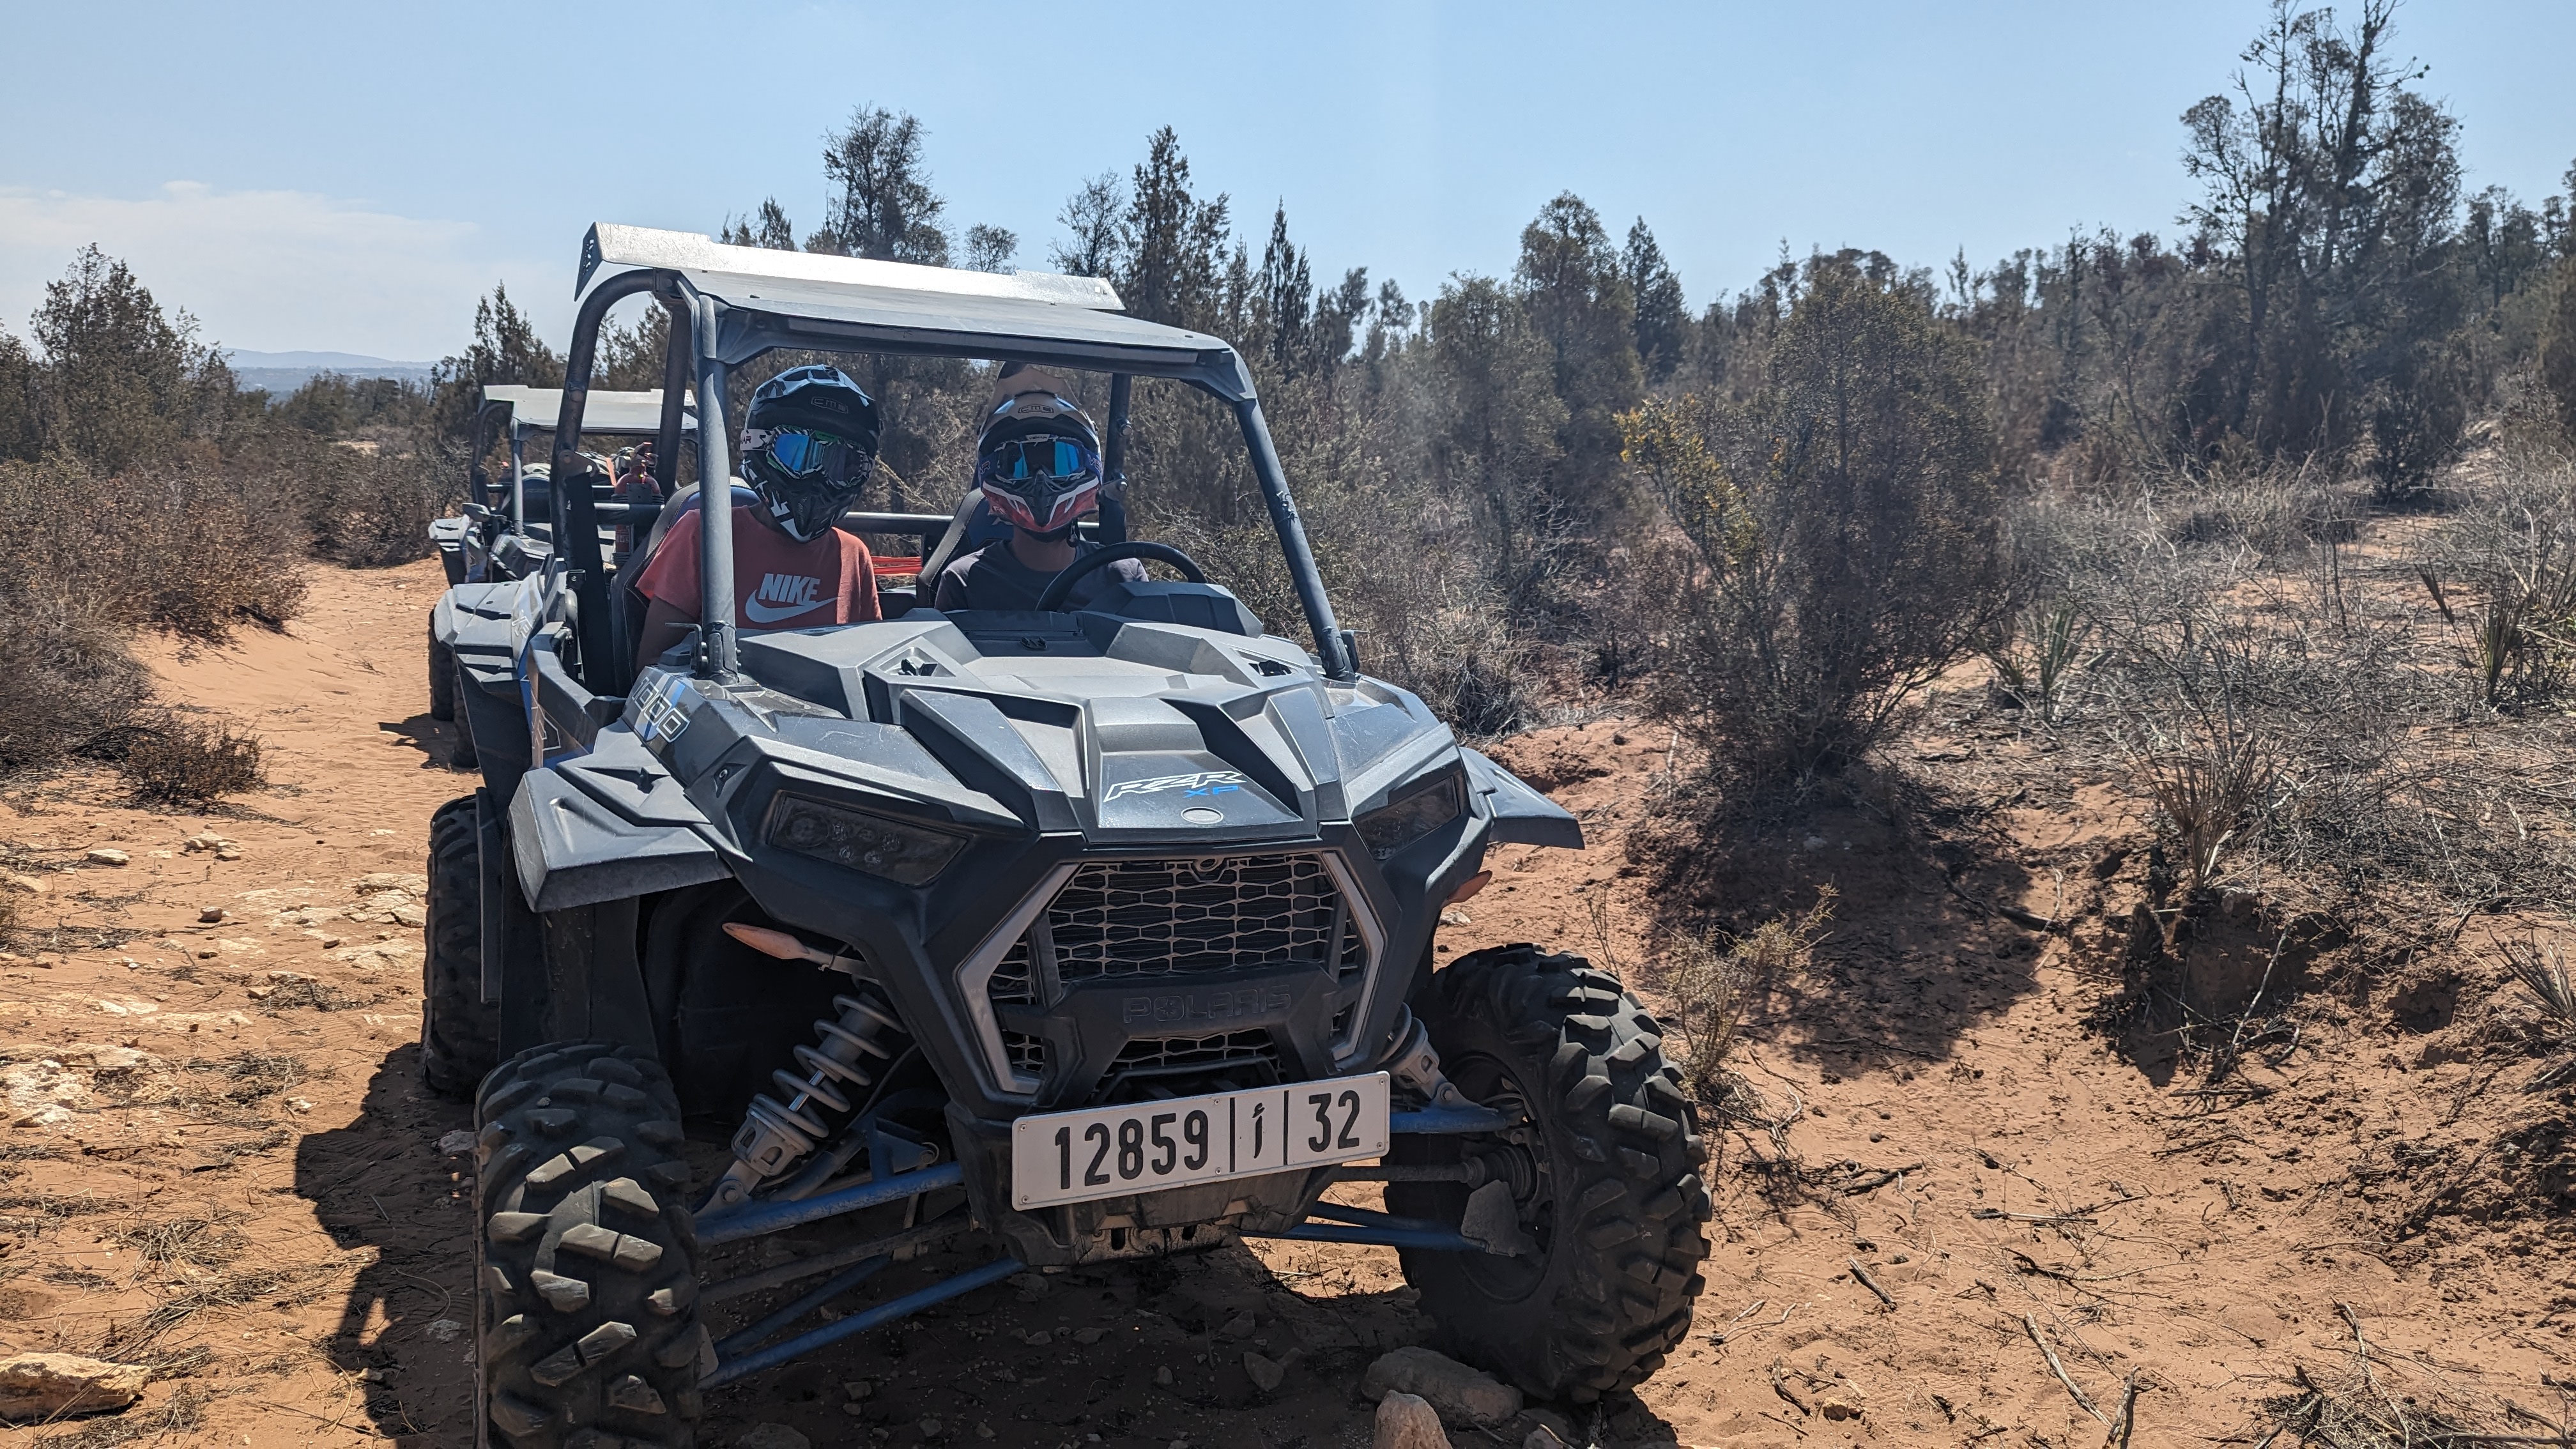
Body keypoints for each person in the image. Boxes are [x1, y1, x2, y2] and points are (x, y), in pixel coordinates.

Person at [634, 365, 883, 660]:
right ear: (762, 447)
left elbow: (870, 662)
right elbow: (653, 666)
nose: (818, 477)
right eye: (798, 453)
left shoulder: (852, 555)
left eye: (841, 463)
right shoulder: (705, 535)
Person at [933, 369, 1144, 611]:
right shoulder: (965, 581)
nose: (1041, 480)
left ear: (1088, 466)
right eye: (1020, 465)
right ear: (991, 471)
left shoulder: (1123, 577)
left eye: (1061, 463)